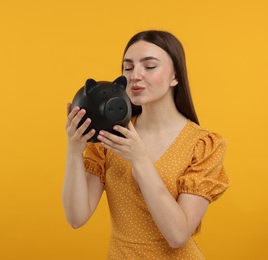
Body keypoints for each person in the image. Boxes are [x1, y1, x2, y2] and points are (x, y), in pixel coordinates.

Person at [62, 30, 230, 259]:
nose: (135, 76)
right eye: (128, 67)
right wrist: (74, 151)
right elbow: (76, 217)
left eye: (149, 66)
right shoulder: (107, 138)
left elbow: (178, 235)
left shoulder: (203, 144)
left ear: (175, 76)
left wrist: (139, 159)